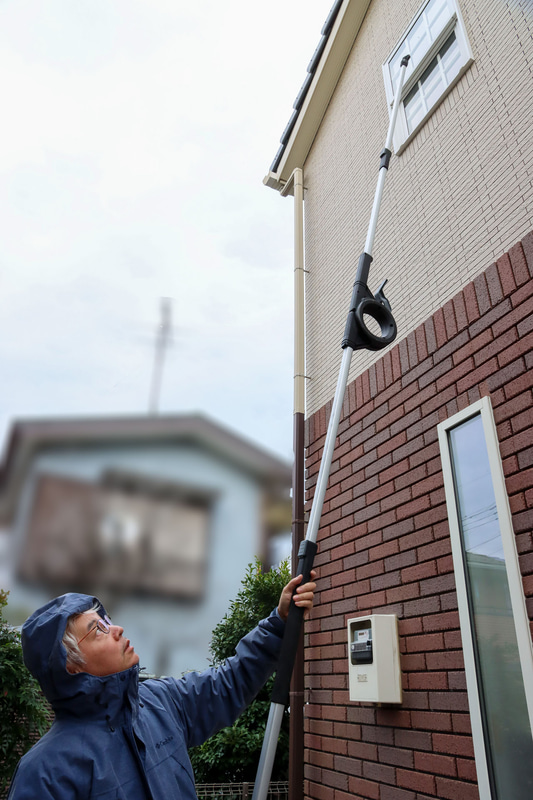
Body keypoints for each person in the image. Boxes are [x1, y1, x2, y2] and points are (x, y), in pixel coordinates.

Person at [7, 571, 317, 800]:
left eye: (107, 619)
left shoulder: (161, 701)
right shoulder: (45, 773)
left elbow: (228, 683)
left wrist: (279, 622)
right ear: (70, 664)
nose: (117, 629)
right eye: (97, 629)